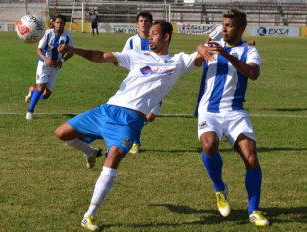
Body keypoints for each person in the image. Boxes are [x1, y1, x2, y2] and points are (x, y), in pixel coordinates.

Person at [55, 20, 205, 231]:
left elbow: (200, 57)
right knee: (62, 133)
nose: (149, 37)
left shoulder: (178, 61)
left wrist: (206, 47)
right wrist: (74, 50)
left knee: (114, 156)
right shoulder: (138, 55)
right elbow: (102, 56)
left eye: (154, 34)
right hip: (107, 109)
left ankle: (89, 215)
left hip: (130, 120)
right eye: (149, 34)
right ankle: (90, 152)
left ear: (166, 37)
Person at [195, 9, 269, 226]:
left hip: (235, 111)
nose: (224, 29)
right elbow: (197, 59)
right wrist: (201, 48)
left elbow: (253, 74)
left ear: (241, 28)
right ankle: (220, 188)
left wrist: (226, 54)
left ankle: (253, 210)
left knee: (251, 157)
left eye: (229, 25)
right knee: (209, 145)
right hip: (209, 109)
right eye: (223, 24)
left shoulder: (250, 51)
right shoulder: (213, 45)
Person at [121, 11, 159, 154]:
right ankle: (135, 142)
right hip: (136, 84)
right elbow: (124, 58)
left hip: (155, 83)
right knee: (136, 113)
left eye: (147, 21)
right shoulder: (131, 41)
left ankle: (133, 127)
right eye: (141, 21)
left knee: (150, 116)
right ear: (137, 24)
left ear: (151, 23)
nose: (144, 23)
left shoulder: (156, 40)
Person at [25, 14, 74, 120]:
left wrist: (61, 61)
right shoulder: (47, 34)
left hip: (56, 67)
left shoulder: (68, 37)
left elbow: (71, 52)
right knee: (41, 87)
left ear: (64, 24)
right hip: (43, 64)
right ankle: (30, 111)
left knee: (46, 95)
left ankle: (32, 92)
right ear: (54, 23)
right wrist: (46, 59)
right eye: (57, 22)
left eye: (61, 23)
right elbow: (38, 50)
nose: (59, 24)